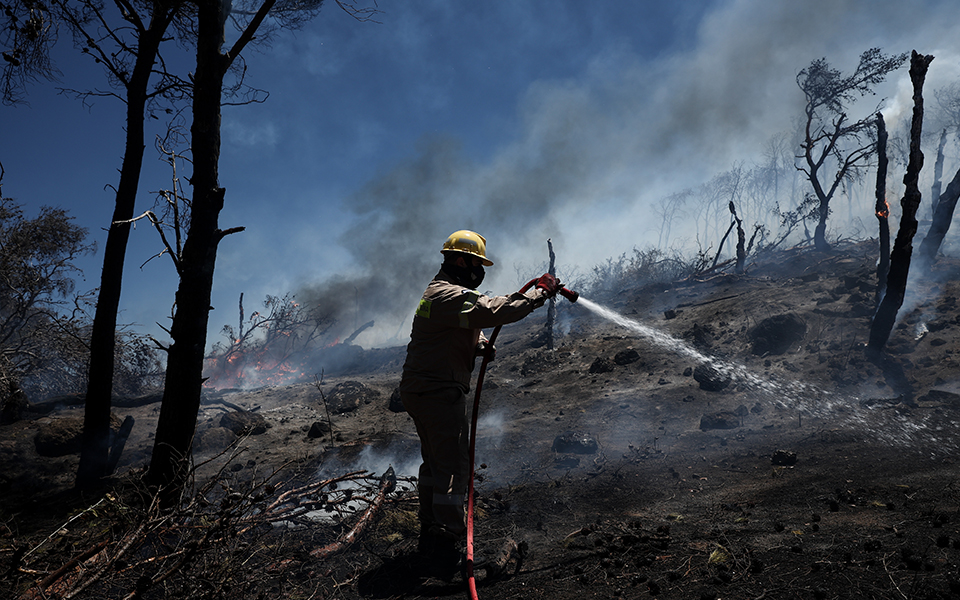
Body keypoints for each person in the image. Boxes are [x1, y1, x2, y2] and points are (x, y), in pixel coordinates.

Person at [400, 229, 559, 576]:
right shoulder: (445, 293)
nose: (480, 271)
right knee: (453, 466)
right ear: (460, 261)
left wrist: (478, 344)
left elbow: (462, 324)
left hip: (423, 389)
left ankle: (430, 531)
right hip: (437, 391)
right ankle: (446, 543)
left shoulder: (444, 293)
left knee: (434, 463)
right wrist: (536, 296)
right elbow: (487, 309)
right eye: (476, 264)